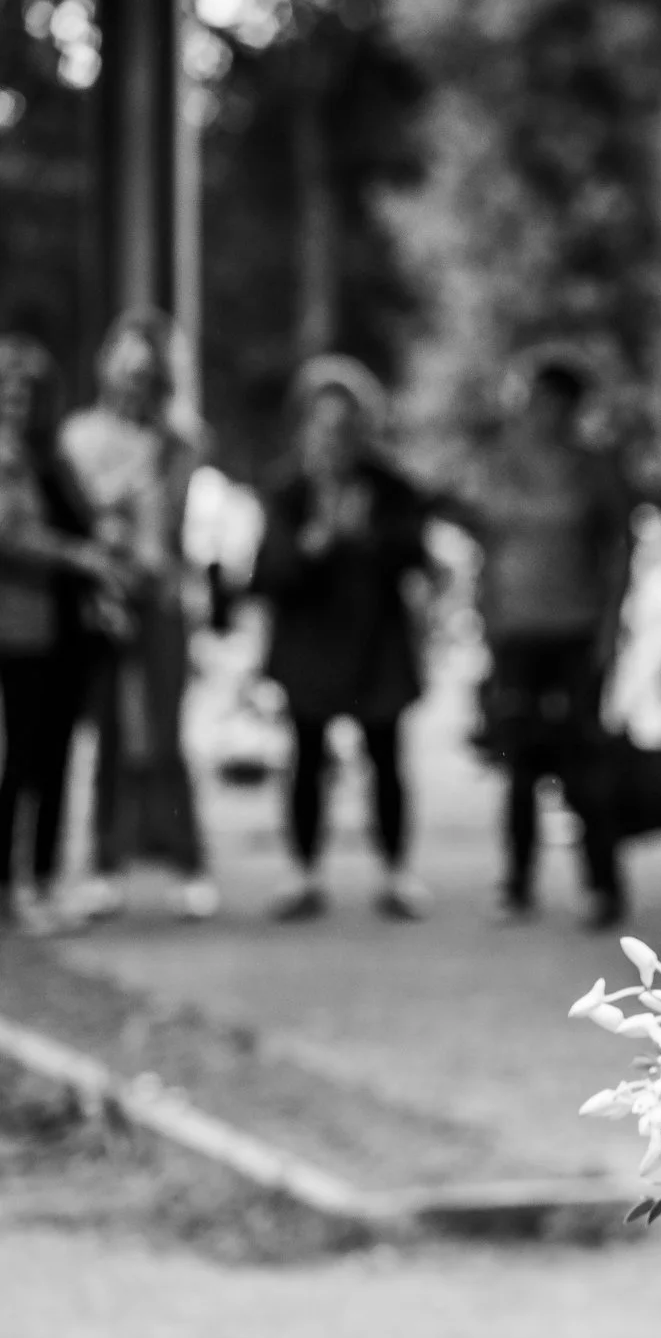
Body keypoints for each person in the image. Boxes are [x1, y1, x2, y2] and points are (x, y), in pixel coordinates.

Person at [437, 352, 632, 928]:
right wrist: (483, 619)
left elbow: (618, 552)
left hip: (576, 630)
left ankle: (601, 883)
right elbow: (483, 545)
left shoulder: (595, 471)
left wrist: (610, 628)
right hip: (516, 632)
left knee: (582, 759)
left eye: (555, 403)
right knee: (517, 760)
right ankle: (517, 884)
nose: (542, 414)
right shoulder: (498, 465)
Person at [251, 356, 432, 921]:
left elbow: (415, 555)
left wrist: (368, 536)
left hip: (376, 643)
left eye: (346, 424)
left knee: (385, 755)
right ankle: (303, 873)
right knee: (306, 757)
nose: (334, 436)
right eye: (322, 423)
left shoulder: (391, 486)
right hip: (310, 645)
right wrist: (315, 543)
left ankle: (396, 872)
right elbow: (268, 576)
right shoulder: (287, 491)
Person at [58, 308, 217, 922]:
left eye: (145, 375)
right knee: (109, 737)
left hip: (159, 600)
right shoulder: (76, 437)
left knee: (166, 732)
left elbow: (175, 522)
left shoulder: (179, 441)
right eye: (124, 371)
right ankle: (105, 863)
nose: (132, 385)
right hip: (99, 599)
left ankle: (187, 860)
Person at [0, 333, 121, 935]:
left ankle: (42, 881)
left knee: (52, 758)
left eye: (29, 392)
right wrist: (81, 557)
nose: (17, 402)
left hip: (63, 631)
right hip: (19, 627)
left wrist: (107, 541)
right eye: (7, 390)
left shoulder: (52, 455)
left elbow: (92, 516)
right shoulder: (5, 459)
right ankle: (12, 886)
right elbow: (10, 533)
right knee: (18, 759)